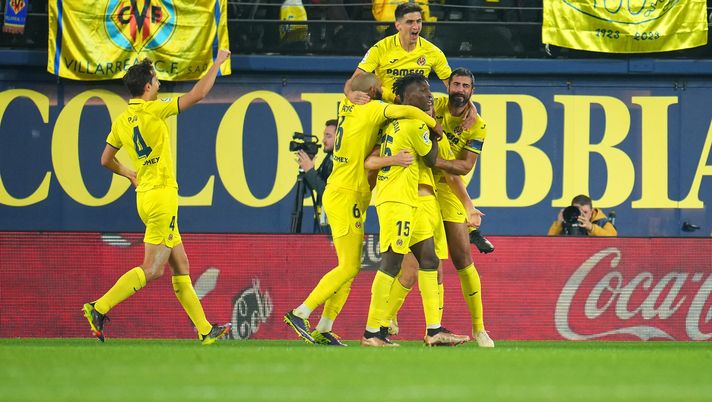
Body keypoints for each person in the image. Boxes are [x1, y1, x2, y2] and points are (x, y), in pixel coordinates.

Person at [82, 50, 233, 345]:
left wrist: (129, 173)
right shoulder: (154, 109)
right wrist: (217, 63)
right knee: (153, 269)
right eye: (156, 80)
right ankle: (98, 307)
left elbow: (105, 159)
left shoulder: (123, 119)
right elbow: (199, 94)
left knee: (181, 265)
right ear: (148, 87)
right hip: (163, 198)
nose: (160, 84)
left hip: (145, 197)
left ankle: (204, 330)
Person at [283, 72, 442, 345]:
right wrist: (431, 121)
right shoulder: (370, 109)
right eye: (378, 88)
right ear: (369, 92)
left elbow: (354, 88)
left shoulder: (347, 106)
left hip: (347, 193)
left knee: (349, 266)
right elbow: (404, 108)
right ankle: (301, 312)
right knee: (348, 267)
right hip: (346, 194)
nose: (383, 91)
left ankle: (324, 327)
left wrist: (350, 92)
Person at [362, 73, 468, 347]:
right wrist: (436, 129)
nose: (429, 93)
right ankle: (373, 332)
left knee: (429, 259)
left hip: (408, 199)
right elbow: (432, 159)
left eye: (428, 88)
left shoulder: (394, 123)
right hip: (397, 199)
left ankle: (434, 330)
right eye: (422, 90)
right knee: (392, 262)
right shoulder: (413, 123)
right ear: (406, 99)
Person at [431, 67, 495, 347]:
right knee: (419, 262)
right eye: (455, 84)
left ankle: (480, 328)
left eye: (465, 86)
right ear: (448, 87)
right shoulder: (435, 104)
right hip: (419, 185)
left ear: (472, 91)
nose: (459, 89)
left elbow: (465, 166)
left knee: (462, 258)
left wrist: (435, 161)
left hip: (448, 189)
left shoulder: (478, 125)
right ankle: (386, 323)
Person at [343, 2, 452, 105]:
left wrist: (469, 106)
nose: (416, 27)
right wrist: (350, 94)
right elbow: (353, 80)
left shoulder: (432, 51)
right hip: (386, 110)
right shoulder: (380, 48)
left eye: (418, 21)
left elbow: (453, 86)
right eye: (410, 22)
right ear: (398, 25)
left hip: (417, 111)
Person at [295, 119, 336, 232]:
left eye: (328, 136)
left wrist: (310, 171)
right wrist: (307, 170)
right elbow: (314, 186)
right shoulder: (328, 158)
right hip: (322, 220)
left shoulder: (340, 162)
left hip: (332, 224)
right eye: (324, 135)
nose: (323, 140)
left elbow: (327, 192)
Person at [548, 194, 618, 236]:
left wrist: (591, 228)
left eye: (585, 212)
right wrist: (558, 223)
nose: (581, 215)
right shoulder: (567, 220)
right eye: (578, 211)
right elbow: (548, 242)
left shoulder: (602, 222)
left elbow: (613, 240)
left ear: (592, 211)